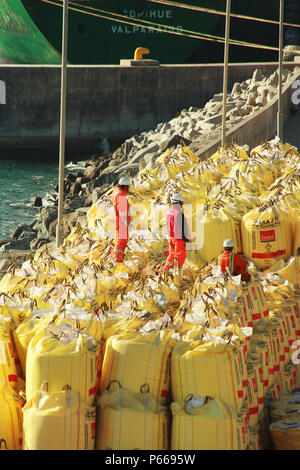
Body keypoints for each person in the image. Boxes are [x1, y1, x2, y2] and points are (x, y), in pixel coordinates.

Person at [163, 193, 191, 271]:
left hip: (170, 237)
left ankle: (165, 270)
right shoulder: (178, 212)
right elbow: (182, 226)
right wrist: (186, 239)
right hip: (178, 239)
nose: (182, 204)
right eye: (182, 202)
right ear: (179, 202)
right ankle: (176, 273)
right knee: (179, 257)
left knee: (171, 255)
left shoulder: (169, 211)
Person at [111, 176, 131, 263]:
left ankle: (119, 259)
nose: (128, 189)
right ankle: (118, 261)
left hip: (117, 219)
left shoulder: (116, 191)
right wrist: (126, 222)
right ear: (125, 186)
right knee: (121, 241)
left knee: (120, 239)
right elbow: (123, 211)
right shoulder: (122, 195)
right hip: (122, 221)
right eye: (128, 187)